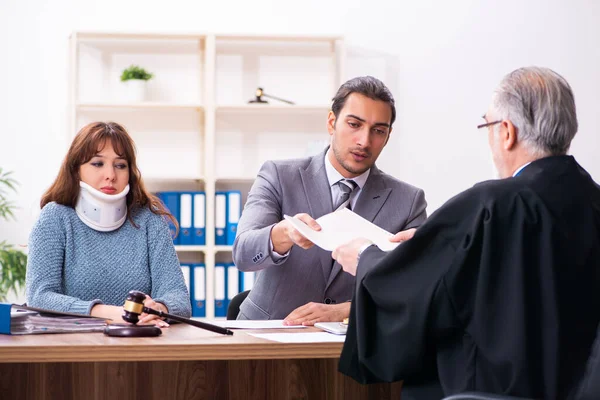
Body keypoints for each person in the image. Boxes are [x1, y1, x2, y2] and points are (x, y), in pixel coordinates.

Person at [333, 67, 600, 399]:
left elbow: (416, 294)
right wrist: (429, 246)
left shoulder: (491, 204)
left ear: (506, 132)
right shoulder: (592, 200)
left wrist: (365, 257)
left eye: (487, 126)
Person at [232, 76, 427, 324]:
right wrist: (284, 233)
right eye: (354, 124)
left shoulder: (408, 201)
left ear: (388, 136)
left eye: (378, 131)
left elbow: (418, 287)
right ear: (332, 122)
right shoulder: (279, 176)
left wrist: (347, 310)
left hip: (353, 345)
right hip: (269, 336)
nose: (364, 141)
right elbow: (243, 254)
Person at [26, 121, 192, 326]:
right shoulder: (55, 218)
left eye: (120, 165)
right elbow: (40, 297)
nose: (110, 175)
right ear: (76, 169)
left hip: (140, 344)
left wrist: (159, 308)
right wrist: (110, 313)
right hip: (72, 347)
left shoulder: (149, 220)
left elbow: (179, 297)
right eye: (97, 163)